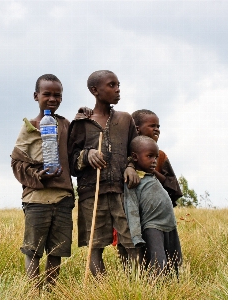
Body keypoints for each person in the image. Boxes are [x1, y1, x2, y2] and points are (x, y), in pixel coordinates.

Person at [68, 70, 140, 277]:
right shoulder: (81, 123)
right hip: (92, 193)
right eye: (111, 85)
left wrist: (130, 166)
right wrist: (86, 155)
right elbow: (71, 162)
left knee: (131, 242)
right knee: (95, 245)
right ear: (95, 91)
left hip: (122, 192)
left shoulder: (125, 120)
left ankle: (133, 285)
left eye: (118, 85)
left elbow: (134, 152)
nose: (117, 90)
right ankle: (103, 290)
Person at [11, 74, 74, 287]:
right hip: (36, 199)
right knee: (33, 249)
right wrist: (40, 176)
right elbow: (17, 164)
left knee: (58, 249)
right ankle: (33, 290)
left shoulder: (66, 126)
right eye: (47, 94)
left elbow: (74, 154)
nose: (52, 99)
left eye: (58, 95)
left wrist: (84, 117)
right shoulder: (29, 127)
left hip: (63, 198)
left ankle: (50, 289)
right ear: (36, 96)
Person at [124, 135, 182, 276]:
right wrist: (137, 237)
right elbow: (131, 208)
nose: (154, 161)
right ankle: (155, 291)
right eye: (149, 156)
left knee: (175, 264)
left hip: (170, 226)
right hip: (152, 226)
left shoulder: (151, 176)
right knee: (158, 264)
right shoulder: (133, 179)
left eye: (156, 157)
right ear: (135, 157)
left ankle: (172, 291)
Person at [131, 109, 182, 207]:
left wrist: (152, 171)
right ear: (137, 129)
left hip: (153, 207)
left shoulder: (161, 156)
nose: (157, 129)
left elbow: (172, 187)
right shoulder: (125, 152)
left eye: (158, 126)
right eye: (152, 126)